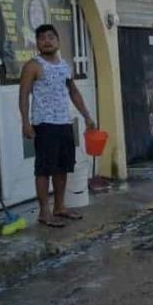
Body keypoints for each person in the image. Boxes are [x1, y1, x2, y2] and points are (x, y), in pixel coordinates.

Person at [19, 23, 96, 228]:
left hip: (64, 123)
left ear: (57, 41)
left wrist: (87, 117)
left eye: (50, 37)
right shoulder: (33, 65)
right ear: (37, 43)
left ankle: (59, 207)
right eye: (42, 38)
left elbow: (74, 93)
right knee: (44, 169)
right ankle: (44, 212)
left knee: (62, 167)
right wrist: (25, 122)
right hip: (44, 124)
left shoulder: (65, 66)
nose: (46, 41)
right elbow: (24, 94)